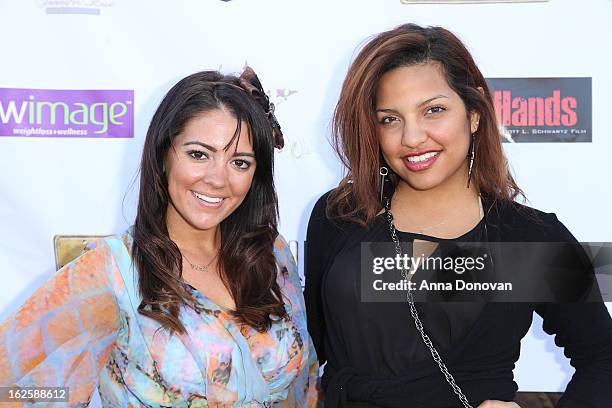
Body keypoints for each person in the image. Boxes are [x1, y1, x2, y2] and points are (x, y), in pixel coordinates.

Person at [304, 24, 612, 408]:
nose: (413, 137)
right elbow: (306, 350)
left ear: (474, 112)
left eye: (434, 110)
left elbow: (603, 361)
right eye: (390, 119)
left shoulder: (528, 238)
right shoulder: (338, 218)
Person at [0, 68, 319, 407]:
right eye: (199, 154)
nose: (217, 179)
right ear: (163, 154)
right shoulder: (111, 273)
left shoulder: (270, 252)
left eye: (239, 162)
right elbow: (14, 390)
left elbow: (305, 384)